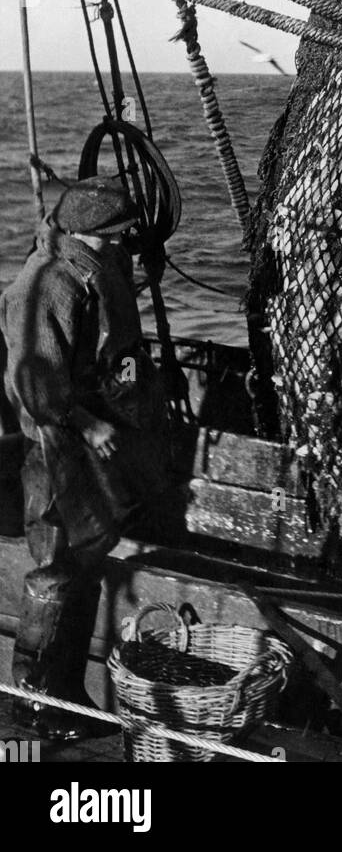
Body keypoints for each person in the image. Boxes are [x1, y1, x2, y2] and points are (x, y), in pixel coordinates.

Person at [0, 176, 173, 740]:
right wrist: (88, 421)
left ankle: (68, 694)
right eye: (117, 234)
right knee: (54, 568)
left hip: (87, 452)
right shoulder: (48, 283)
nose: (122, 242)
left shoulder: (92, 266)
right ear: (92, 232)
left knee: (87, 559)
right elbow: (34, 382)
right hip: (56, 451)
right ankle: (33, 703)